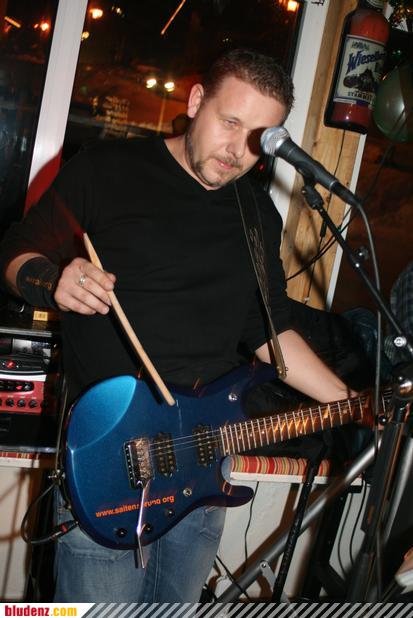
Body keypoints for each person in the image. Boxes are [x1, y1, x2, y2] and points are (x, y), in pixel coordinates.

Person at [0, 49, 355, 603]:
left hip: (204, 465)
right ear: (195, 102)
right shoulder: (106, 170)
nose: (237, 151)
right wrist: (51, 280)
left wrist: (352, 401)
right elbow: (15, 251)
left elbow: (270, 333)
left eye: (258, 138)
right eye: (229, 122)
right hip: (110, 459)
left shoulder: (256, 215)